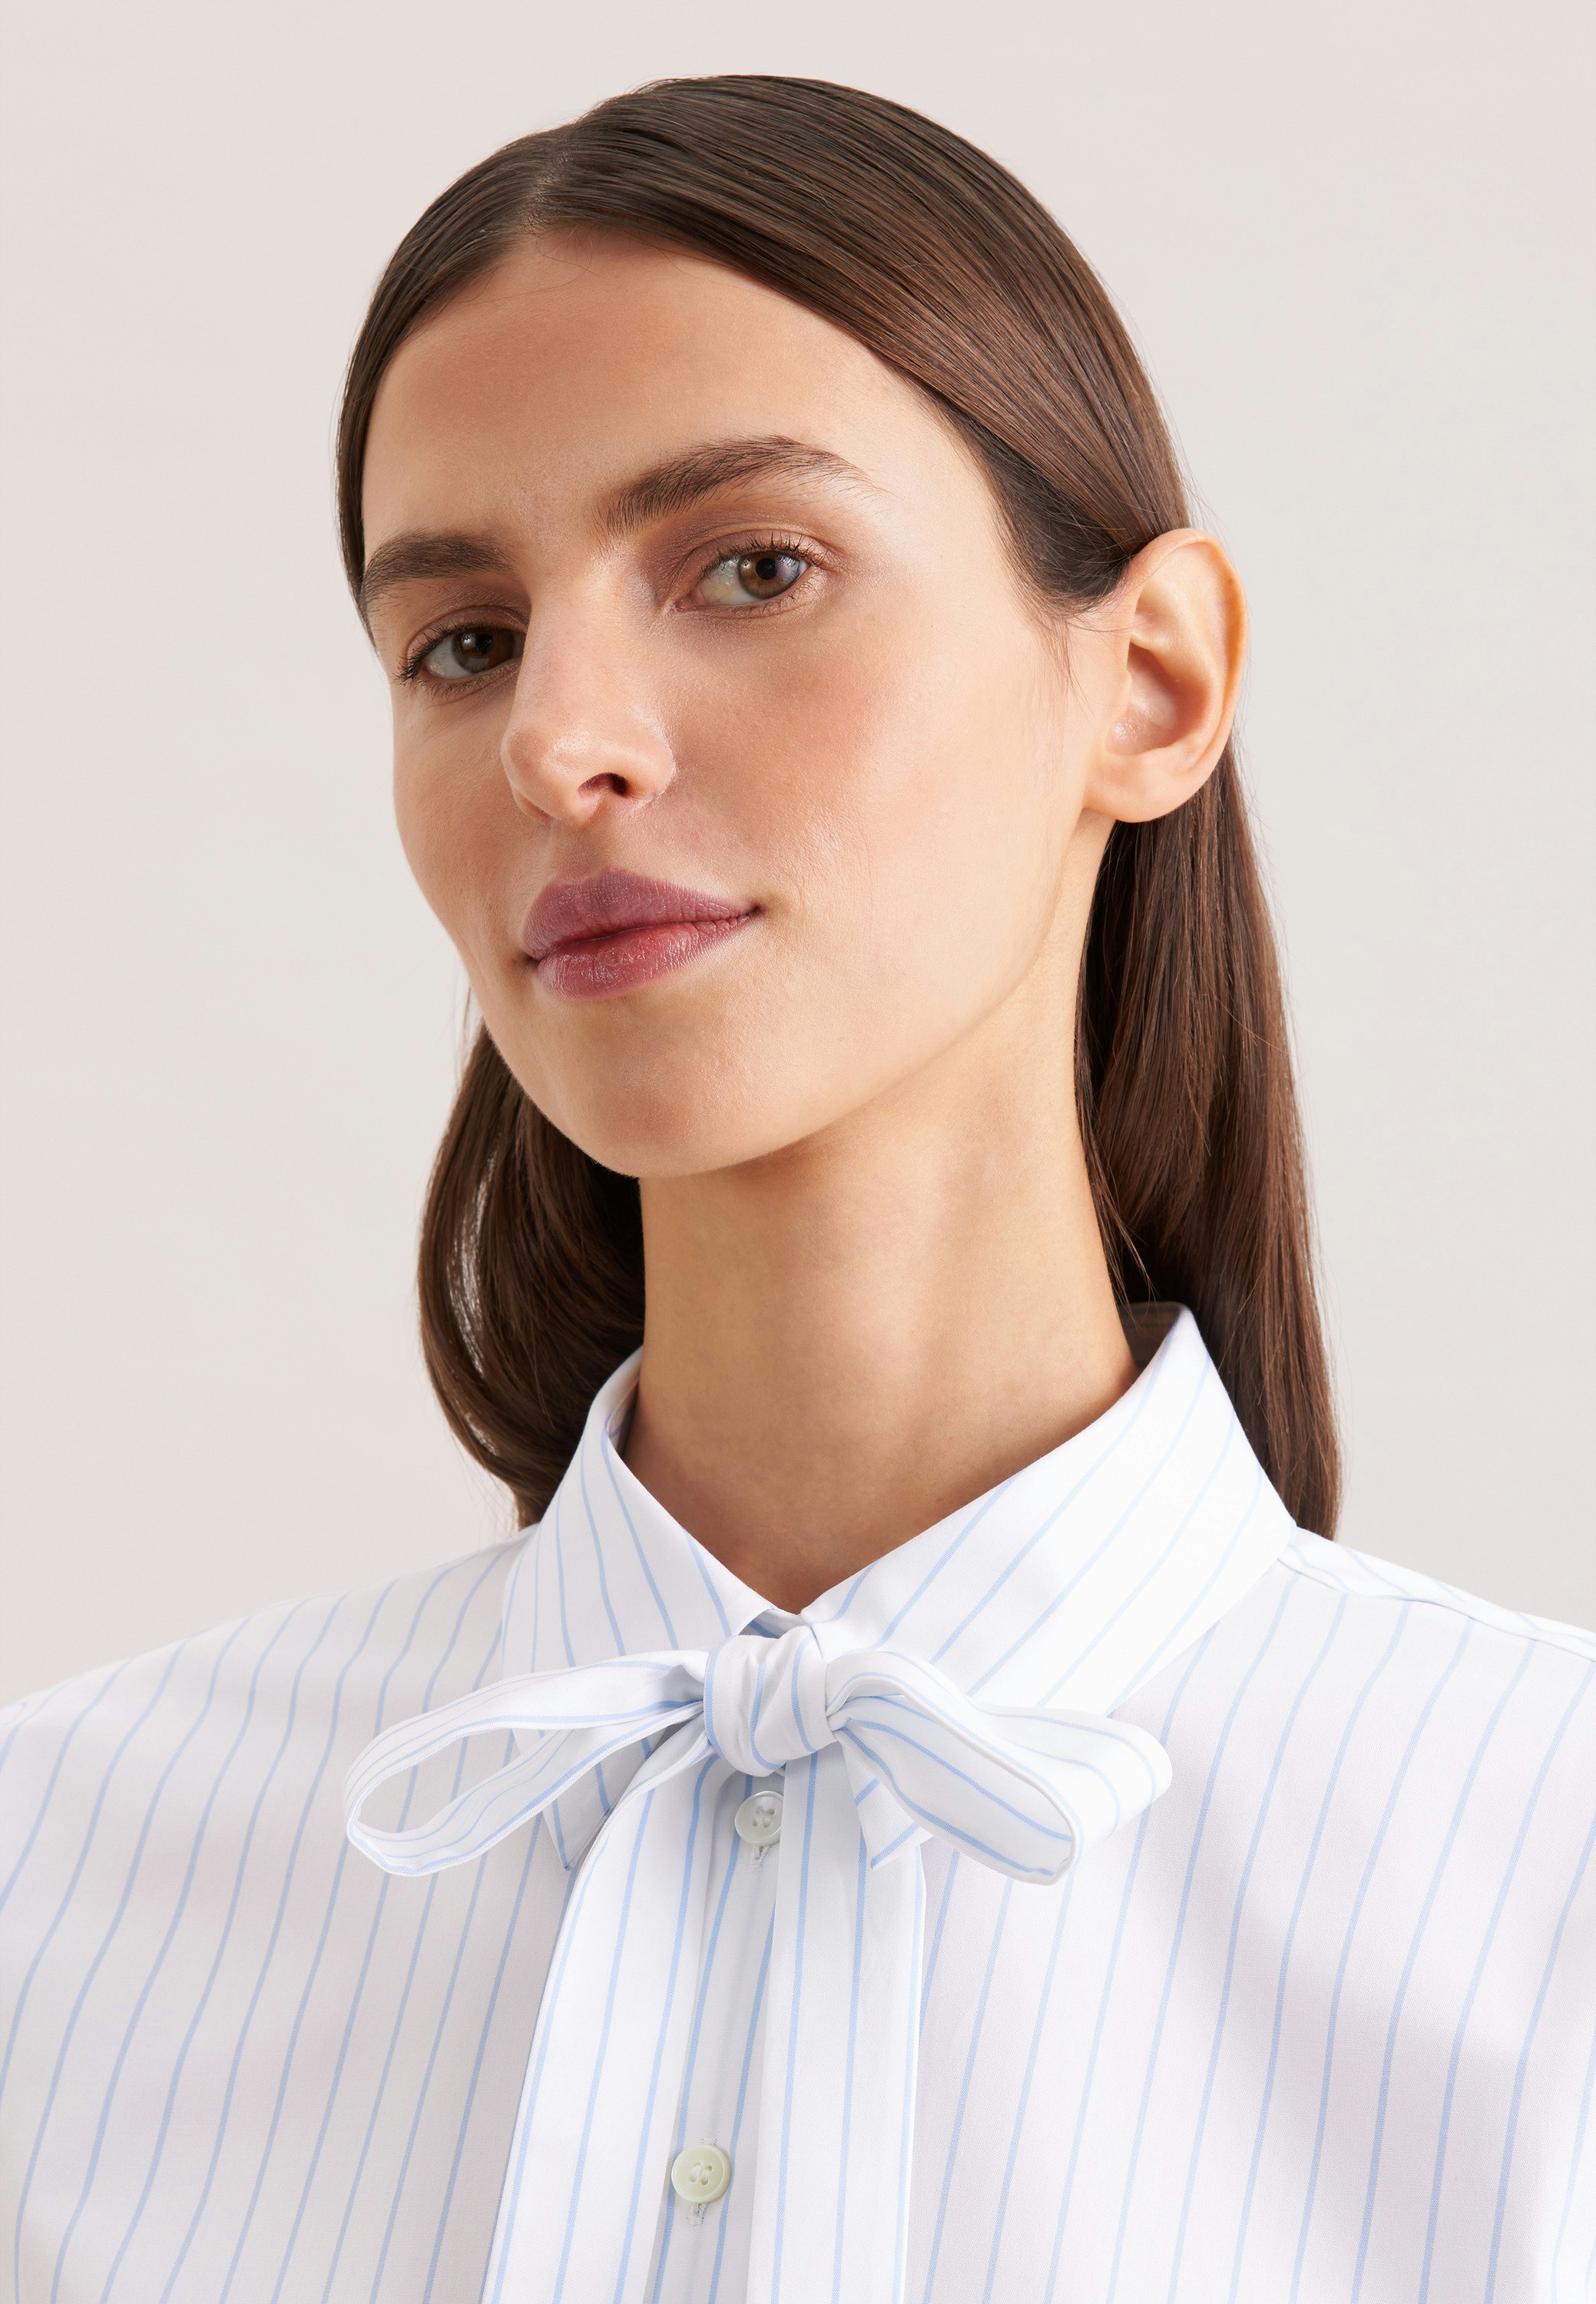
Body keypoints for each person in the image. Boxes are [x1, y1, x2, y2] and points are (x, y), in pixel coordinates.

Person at [2, 73, 1591, 2304]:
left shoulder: (1551, 1882)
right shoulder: (58, 1881)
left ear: (1152, 681)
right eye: (463, 639)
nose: (562, 741)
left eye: (755, 568)